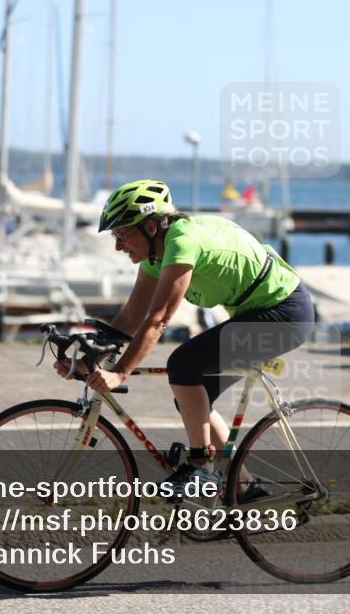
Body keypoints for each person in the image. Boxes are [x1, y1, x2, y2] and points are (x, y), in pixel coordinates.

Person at [54, 180, 314, 496]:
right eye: (115, 236)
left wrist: (120, 372)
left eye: (122, 234)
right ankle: (244, 487)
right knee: (192, 395)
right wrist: (87, 358)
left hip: (284, 313)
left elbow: (158, 320)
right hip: (255, 312)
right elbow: (130, 319)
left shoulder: (182, 242)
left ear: (150, 227)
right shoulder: (155, 254)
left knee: (183, 364)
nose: (118, 246)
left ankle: (202, 467)